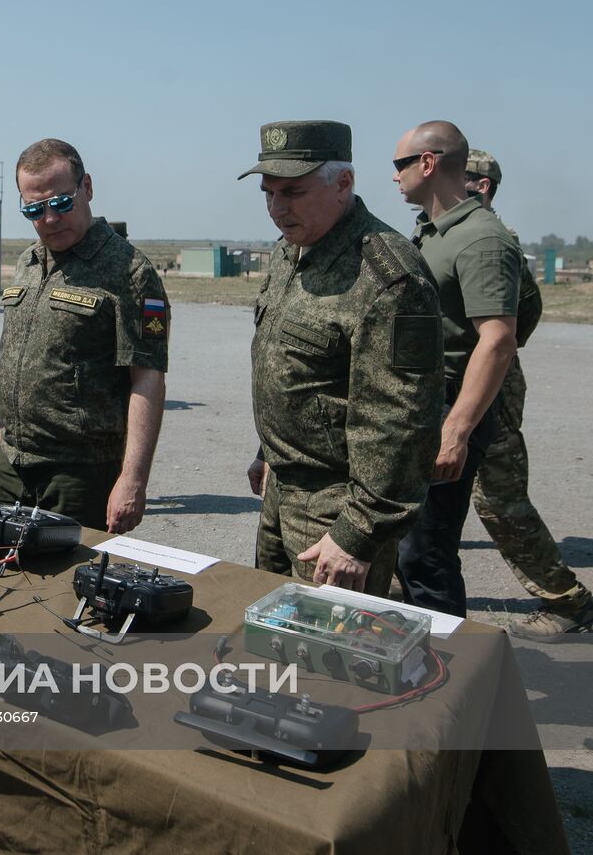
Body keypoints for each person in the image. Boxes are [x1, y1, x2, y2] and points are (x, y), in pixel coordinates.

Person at [243, 120, 443, 596]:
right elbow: (295, 370)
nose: (277, 208)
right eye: (269, 193)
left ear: (344, 183)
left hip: (337, 510)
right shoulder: (290, 253)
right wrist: (267, 450)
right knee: (271, 636)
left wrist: (356, 536)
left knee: (330, 658)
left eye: (292, 192)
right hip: (281, 491)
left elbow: (402, 423)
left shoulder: (388, 277)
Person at [0, 138, 168, 533]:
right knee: (3, 580)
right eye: (34, 209)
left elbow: (148, 379)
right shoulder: (27, 263)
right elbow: (15, 359)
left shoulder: (130, 273)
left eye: (61, 203)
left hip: (80, 474)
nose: (50, 218)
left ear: (86, 188)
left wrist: (133, 479)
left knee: (69, 587)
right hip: (12, 465)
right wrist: (0, 438)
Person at [394, 121, 522, 617]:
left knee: (426, 556)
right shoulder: (432, 231)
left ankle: (454, 676)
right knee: (403, 548)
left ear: (427, 164)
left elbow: (498, 339)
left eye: (399, 164)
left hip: (448, 408)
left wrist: (457, 430)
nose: (395, 177)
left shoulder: (481, 239)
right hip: (419, 406)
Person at [463, 149, 592, 637]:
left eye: (464, 177)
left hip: (488, 384)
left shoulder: (495, 242)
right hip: (455, 382)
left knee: (498, 496)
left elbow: (526, 313)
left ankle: (567, 602)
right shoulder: (448, 234)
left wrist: (494, 352)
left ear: (483, 186)